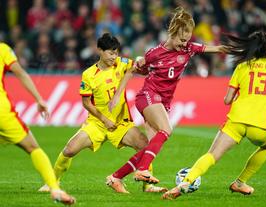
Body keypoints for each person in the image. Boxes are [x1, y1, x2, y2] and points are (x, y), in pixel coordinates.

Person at [162, 31, 266, 199]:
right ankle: (240, 182)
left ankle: (185, 182)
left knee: (212, 155)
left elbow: (227, 100)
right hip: (260, 125)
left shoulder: (242, 67)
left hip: (236, 121)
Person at [107, 7, 226, 184]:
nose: (184, 44)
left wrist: (242, 50)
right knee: (166, 130)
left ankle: (115, 177)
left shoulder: (189, 49)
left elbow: (216, 48)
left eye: (187, 40)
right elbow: (136, 70)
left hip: (163, 102)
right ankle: (142, 170)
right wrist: (139, 61)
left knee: (150, 147)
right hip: (148, 96)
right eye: (181, 39)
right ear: (172, 33)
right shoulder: (154, 53)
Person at [38, 33, 167, 194]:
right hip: (97, 123)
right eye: (110, 53)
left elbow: (141, 68)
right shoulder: (89, 74)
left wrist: (141, 59)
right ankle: (52, 182)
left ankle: (147, 186)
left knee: (144, 146)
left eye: (116, 52)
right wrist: (104, 120)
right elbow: (86, 103)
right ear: (100, 50)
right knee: (69, 150)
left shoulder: (122, 63)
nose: (114, 56)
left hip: (121, 123)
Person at [0, 42, 75, 205]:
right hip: (2, 112)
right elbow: (20, 73)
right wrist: (39, 99)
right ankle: (55, 189)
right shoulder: (3, 49)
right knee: (33, 147)